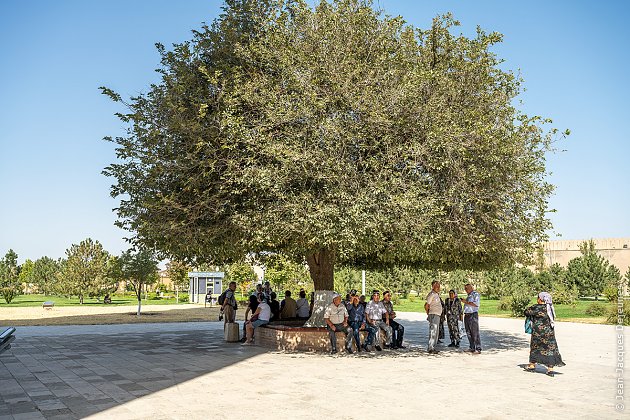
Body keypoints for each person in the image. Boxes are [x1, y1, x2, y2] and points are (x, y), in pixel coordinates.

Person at [524, 292, 565, 377]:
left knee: (535, 348)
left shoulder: (536, 307)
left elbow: (526, 312)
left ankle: (532, 365)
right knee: (550, 350)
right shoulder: (549, 308)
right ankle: (550, 370)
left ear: (540, 299)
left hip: (538, 334)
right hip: (549, 333)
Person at [462, 283, 482, 354]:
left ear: (471, 288)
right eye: (465, 289)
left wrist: (466, 302)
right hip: (467, 315)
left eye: (466, 288)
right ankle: (472, 347)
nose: (466, 290)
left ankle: (478, 348)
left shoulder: (475, 294)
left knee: (475, 332)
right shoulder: (469, 295)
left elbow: (476, 304)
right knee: (468, 332)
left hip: (472, 315)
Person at [424, 281, 442, 354]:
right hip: (433, 314)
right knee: (433, 331)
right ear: (433, 286)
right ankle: (430, 348)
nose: (438, 287)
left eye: (439, 286)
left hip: (437, 315)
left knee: (436, 332)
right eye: (437, 286)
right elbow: (426, 305)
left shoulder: (436, 294)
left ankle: (433, 347)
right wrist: (428, 313)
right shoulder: (432, 294)